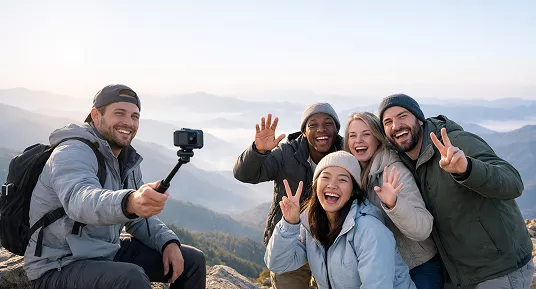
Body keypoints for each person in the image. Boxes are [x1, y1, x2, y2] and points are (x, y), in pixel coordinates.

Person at [24, 84, 206, 289]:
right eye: (119, 113)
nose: (128, 123)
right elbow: (80, 200)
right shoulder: (71, 152)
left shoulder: (125, 158)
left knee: (192, 261)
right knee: (130, 278)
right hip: (60, 263)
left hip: (105, 252)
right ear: (95, 115)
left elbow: (137, 219)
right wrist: (129, 201)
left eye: (134, 117)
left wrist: (168, 242)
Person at [378, 93, 534, 288]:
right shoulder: (406, 163)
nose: (396, 125)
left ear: (419, 118)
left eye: (402, 116)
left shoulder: (456, 142)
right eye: (388, 122)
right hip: (461, 275)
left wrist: (467, 169)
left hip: (499, 270)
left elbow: (513, 182)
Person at [265, 150, 417, 289]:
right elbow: (278, 264)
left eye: (342, 180)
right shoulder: (310, 224)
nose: (332, 185)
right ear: (316, 184)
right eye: (325, 177)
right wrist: (289, 224)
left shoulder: (370, 230)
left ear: (353, 191)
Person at [233, 103, 343, 288]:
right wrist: (258, 151)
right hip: (290, 244)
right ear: (304, 132)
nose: (321, 129)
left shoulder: (345, 155)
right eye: (313, 125)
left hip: (329, 245)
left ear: (336, 129)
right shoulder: (286, 154)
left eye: (328, 123)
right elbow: (244, 174)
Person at [344, 111, 443, 288]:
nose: (358, 140)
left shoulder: (393, 171)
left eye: (366, 134)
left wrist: (394, 203)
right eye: (352, 136)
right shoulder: (353, 175)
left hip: (418, 268)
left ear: (378, 138)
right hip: (386, 268)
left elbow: (423, 228)